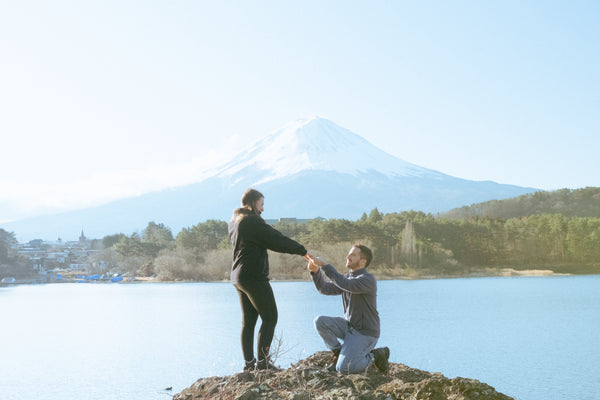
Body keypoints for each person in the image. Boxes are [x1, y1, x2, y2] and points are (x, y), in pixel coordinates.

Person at [229, 188, 308, 371]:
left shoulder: (235, 221)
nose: (263, 209)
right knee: (270, 317)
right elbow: (275, 239)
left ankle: (249, 365)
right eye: (261, 204)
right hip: (254, 277)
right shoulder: (251, 221)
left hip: (238, 277)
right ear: (252, 202)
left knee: (248, 322)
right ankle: (263, 364)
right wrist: (302, 250)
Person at [306, 244, 390, 374]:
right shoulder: (347, 278)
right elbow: (324, 289)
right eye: (349, 254)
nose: (348, 257)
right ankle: (338, 352)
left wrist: (324, 266)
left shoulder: (367, 280)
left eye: (353, 255)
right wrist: (315, 272)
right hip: (349, 328)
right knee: (320, 321)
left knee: (344, 368)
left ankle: (377, 355)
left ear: (363, 261)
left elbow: (346, 285)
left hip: (365, 333)